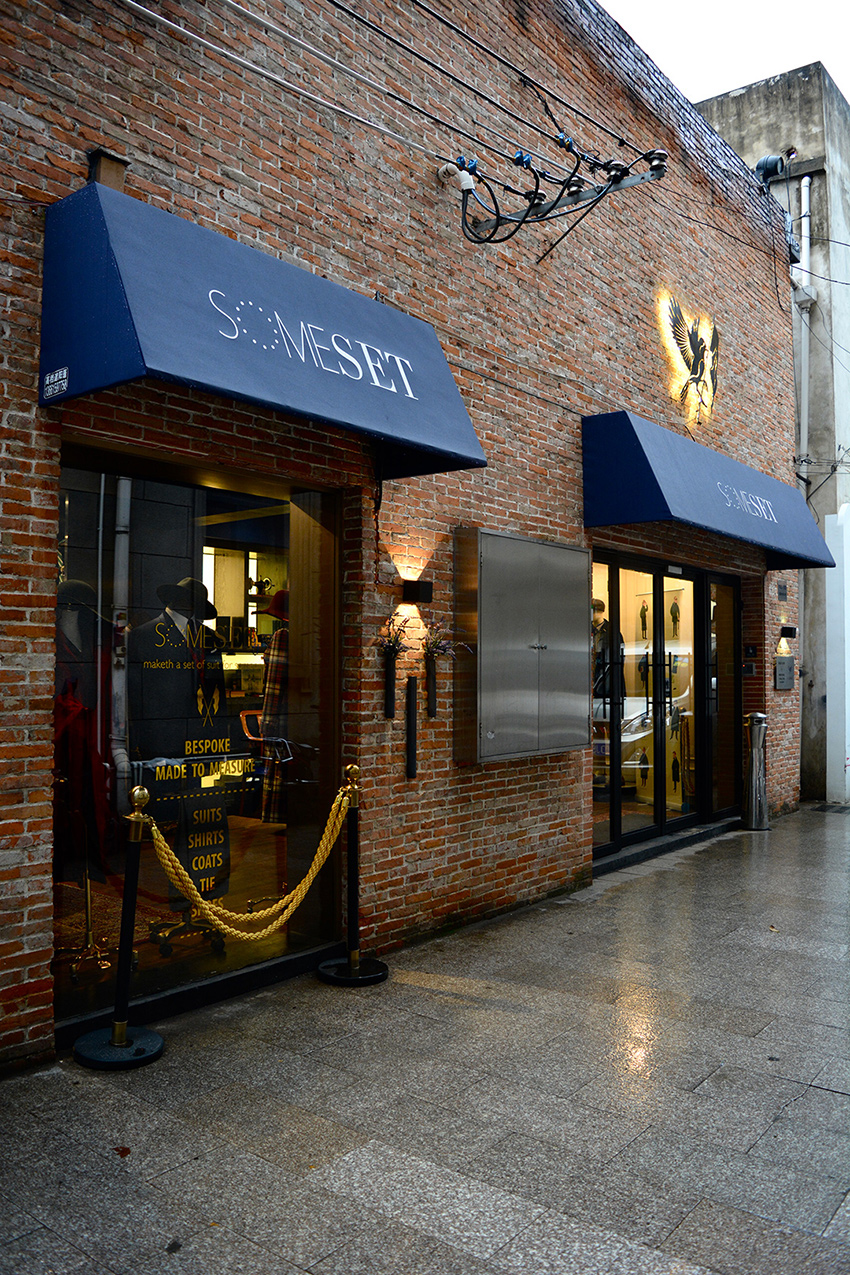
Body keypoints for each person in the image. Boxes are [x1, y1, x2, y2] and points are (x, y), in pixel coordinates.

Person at [258, 591, 289, 823]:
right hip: (297, 718)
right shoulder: (309, 636)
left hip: (281, 719)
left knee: (276, 771)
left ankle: (274, 819)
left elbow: (273, 685)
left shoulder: (282, 636)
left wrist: (267, 722)